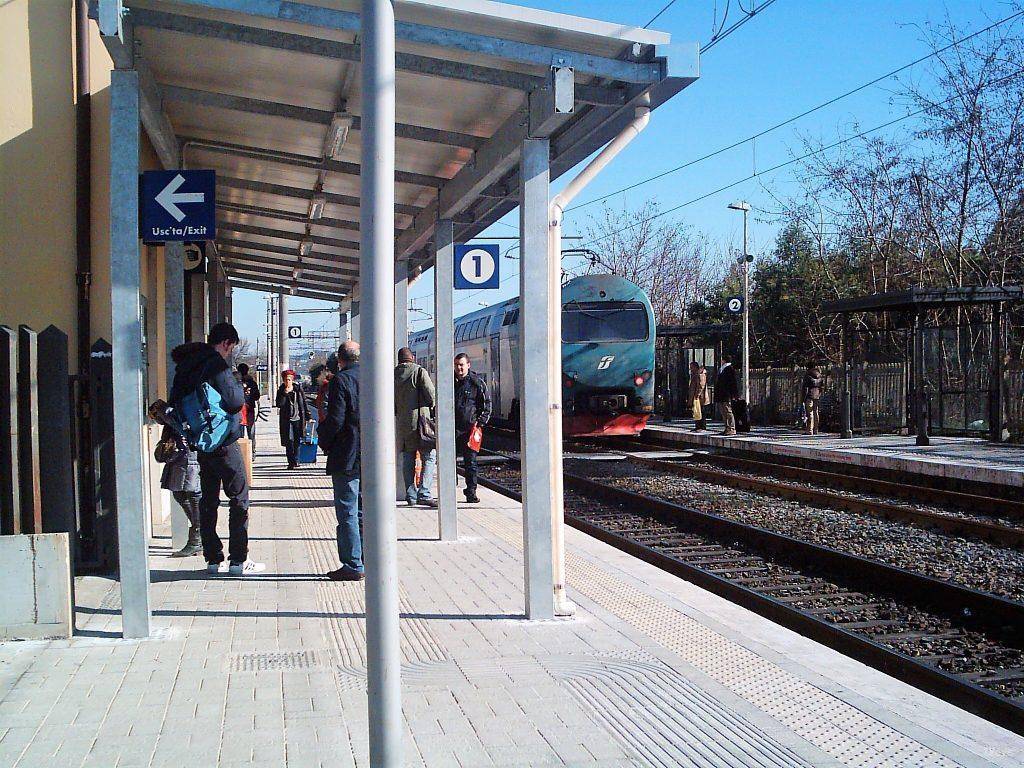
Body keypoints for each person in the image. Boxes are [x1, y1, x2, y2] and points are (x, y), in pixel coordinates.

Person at [169, 322, 263, 575]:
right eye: (231, 348)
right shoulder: (216, 364)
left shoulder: (184, 366)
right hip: (223, 442)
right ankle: (237, 561)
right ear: (226, 343)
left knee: (209, 500)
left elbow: (174, 403)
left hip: (200, 443)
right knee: (239, 497)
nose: (230, 353)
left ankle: (212, 559)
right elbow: (235, 402)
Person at [318, 341, 362, 581]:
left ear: (340, 360)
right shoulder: (373, 376)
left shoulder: (341, 380)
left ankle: (353, 564)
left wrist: (323, 441)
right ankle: (366, 558)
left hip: (347, 454)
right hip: (372, 455)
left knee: (347, 510)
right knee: (364, 510)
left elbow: (335, 419)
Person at [149, 397, 201, 558]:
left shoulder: (184, 406)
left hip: (188, 455)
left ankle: (197, 539)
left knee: (192, 495)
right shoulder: (177, 407)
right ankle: (199, 535)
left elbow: (177, 422)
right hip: (180, 456)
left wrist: (164, 411)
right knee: (181, 494)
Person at [395, 347, 437, 507]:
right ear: (412, 357)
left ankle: (410, 495)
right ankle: (424, 493)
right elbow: (431, 394)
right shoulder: (419, 371)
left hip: (403, 424)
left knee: (408, 459)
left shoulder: (393, 374)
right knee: (429, 457)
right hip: (421, 423)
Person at [454, 353, 491, 504]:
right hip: (453, 430)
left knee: (471, 463)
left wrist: (480, 423)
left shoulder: (477, 383)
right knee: (449, 462)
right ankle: (449, 489)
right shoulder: (449, 382)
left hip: (470, 430)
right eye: (456, 365)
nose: (459, 368)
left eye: (461, 365)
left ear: (468, 365)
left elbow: (486, 404)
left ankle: (471, 492)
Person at [276, 369, 309, 469]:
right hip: (286, 420)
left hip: (298, 418)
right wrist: (284, 394)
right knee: (289, 440)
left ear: (292, 380)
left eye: (289, 379)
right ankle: (291, 462)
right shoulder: (281, 390)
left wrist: (309, 416)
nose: (288, 382)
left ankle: (297, 460)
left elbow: (303, 403)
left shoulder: (298, 389)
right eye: (286, 379)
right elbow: (279, 404)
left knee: (297, 440)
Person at [236, 363, 261, 458]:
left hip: (240, 410)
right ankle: (252, 452)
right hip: (249, 409)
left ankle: (241, 453)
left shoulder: (236, 382)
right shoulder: (252, 382)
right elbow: (257, 396)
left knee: (240, 434)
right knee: (251, 433)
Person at [714, 355, 739, 436]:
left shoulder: (729, 369)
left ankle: (732, 428)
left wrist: (734, 394)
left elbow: (733, 383)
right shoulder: (722, 369)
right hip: (721, 394)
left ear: (724, 360)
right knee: (723, 412)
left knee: (728, 411)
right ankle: (726, 427)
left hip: (726, 394)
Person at [801, 363, 825, 435]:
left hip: (809, 395)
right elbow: (822, 387)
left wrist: (803, 398)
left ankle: (809, 430)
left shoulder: (807, 376)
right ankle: (816, 429)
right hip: (817, 395)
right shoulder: (820, 376)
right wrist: (819, 394)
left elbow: (805, 388)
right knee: (816, 412)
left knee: (809, 413)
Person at [688, 361, 710, 431]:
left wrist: (697, 395)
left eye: (691, 367)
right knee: (696, 411)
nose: (690, 369)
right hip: (696, 397)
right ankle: (698, 426)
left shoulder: (700, 374)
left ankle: (702, 427)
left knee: (701, 411)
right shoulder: (695, 374)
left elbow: (701, 385)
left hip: (700, 397)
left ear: (695, 367)